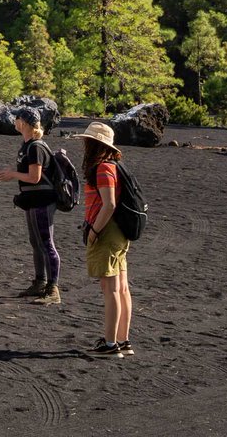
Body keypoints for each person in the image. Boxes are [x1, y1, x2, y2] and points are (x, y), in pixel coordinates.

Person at [76, 122, 134, 359]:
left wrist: (94, 231)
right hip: (119, 232)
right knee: (121, 288)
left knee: (110, 289)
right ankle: (122, 340)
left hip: (108, 232)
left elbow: (109, 204)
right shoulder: (115, 165)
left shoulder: (103, 169)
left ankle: (111, 344)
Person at [0, 107, 61, 305]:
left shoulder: (35, 147)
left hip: (43, 201)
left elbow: (35, 177)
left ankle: (53, 288)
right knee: (37, 242)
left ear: (23, 122)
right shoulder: (27, 145)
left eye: (17, 118)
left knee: (46, 243)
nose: (14, 121)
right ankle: (40, 282)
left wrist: (12, 175)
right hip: (33, 201)